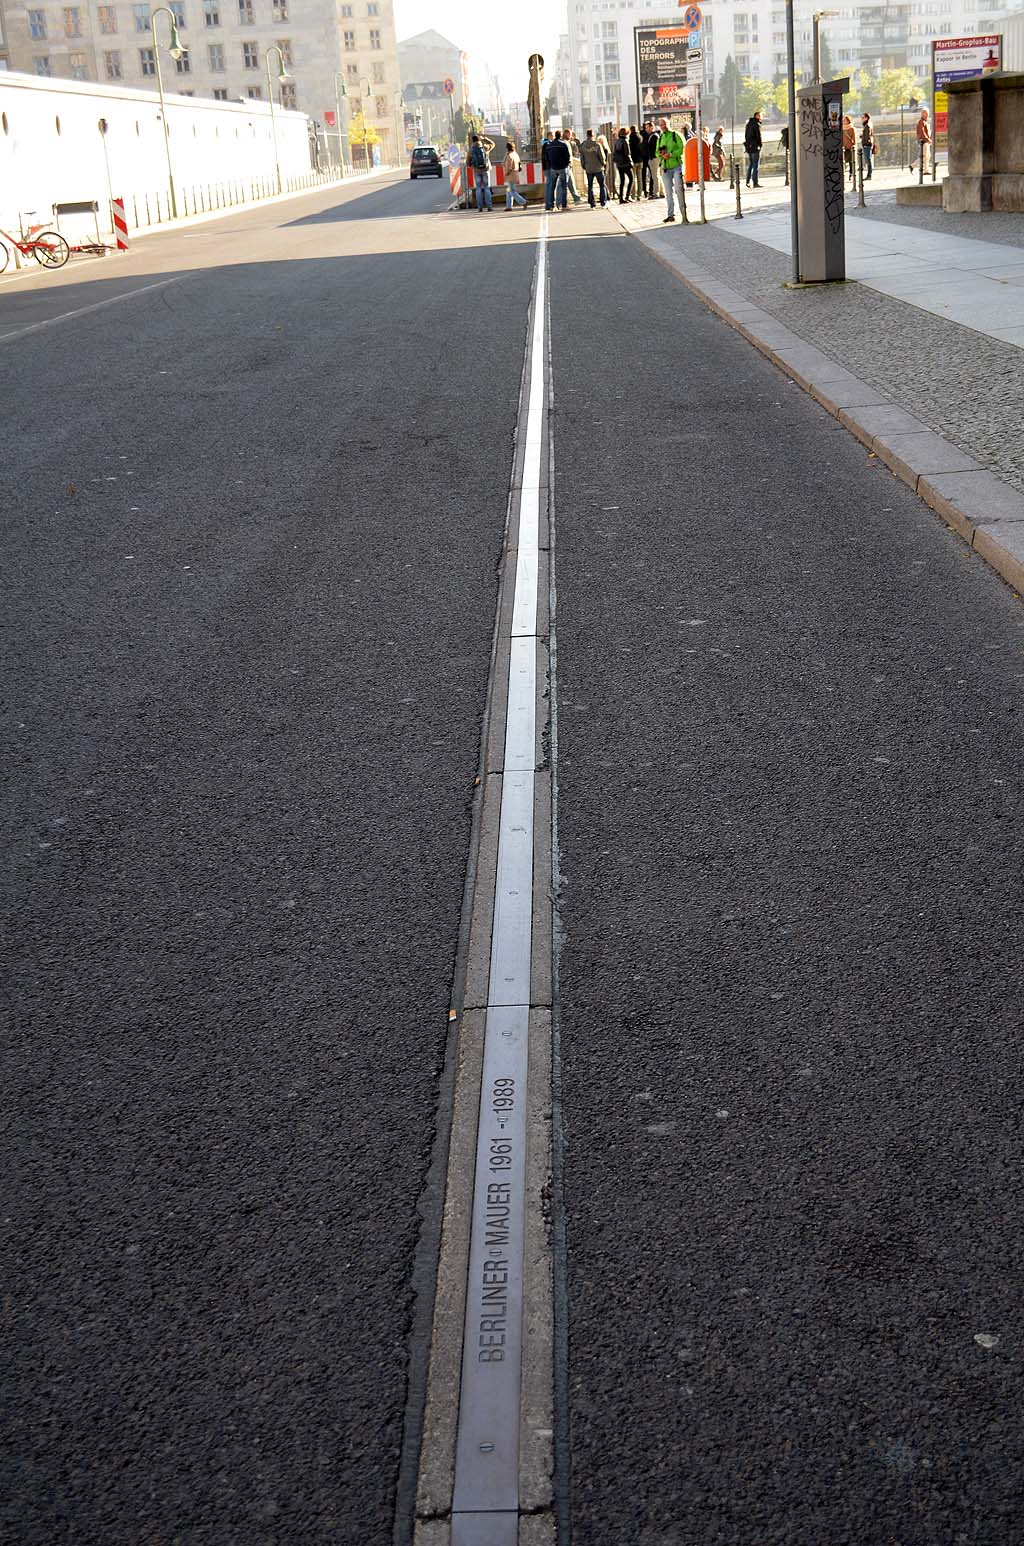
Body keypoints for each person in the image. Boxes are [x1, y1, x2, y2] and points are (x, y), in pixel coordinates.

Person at [656, 115, 685, 222]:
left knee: (678, 189)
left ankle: (684, 214)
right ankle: (670, 215)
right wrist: (662, 154)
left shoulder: (676, 135)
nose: (663, 126)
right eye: (661, 125)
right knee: (668, 193)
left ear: (668, 124)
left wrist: (671, 154)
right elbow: (656, 152)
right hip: (665, 167)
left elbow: (682, 148)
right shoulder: (660, 137)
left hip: (676, 166)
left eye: (664, 124)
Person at [579, 128, 608, 208]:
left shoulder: (583, 145)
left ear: (587, 135)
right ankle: (603, 203)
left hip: (588, 168)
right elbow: (602, 157)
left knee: (590, 186)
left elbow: (582, 157)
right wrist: (603, 164)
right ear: (593, 135)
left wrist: (584, 166)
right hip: (598, 168)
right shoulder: (597, 144)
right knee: (602, 185)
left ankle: (592, 204)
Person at [546, 128, 571, 210]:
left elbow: (547, 157)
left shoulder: (549, 145)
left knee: (552, 187)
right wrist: (566, 164)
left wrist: (551, 164)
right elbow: (567, 156)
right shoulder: (563, 145)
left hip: (553, 168)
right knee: (564, 187)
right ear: (560, 136)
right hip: (562, 167)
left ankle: (552, 205)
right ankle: (564, 205)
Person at [469, 133, 494, 211]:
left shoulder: (471, 150)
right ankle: (489, 206)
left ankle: (480, 207)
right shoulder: (484, 147)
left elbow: (467, 163)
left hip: (477, 171)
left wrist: (472, 165)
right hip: (485, 169)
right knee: (487, 187)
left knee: (478, 188)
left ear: (472, 141)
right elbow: (493, 144)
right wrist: (484, 139)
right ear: (479, 140)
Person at [503, 139, 528, 210]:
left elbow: (510, 166)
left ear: (507, 148)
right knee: (508, 191)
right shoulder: (515, 154)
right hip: (515, 174)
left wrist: (507, 173)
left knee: (512, 191)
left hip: (510, 175)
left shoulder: (510, 155)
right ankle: (508, 206)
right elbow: (519, 163)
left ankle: (524, 202)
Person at [562, 125, 583, 204]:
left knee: (570, 183)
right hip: (565, 166)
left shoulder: (567, 142)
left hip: (567, 165)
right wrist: (570, 162)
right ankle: (561, 202)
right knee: (563, 185)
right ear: (567, 134)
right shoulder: (565, 143)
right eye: (570, 134)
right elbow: (569, 154)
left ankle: (576, 198)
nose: (571, 136)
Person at [613, 127, 635, 203]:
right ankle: (627, 196)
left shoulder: (617, 141)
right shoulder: (625, 141)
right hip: (625, 163)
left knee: (622, 181)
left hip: (619, 163)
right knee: (631, 179)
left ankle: (621, 198)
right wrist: (631, 162)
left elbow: (615, 152)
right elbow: (627, 153)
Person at [744, 109, 762, 188]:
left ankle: (747, 181)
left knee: (751, 164)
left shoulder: (748, 124)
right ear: (757, 116)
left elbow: (746, 136)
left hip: (749, 147)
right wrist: (760, 145)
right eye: (760, 116)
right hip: (755, 147)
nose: (761, 117)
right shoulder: (756, 124)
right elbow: (758, 136)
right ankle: (755, 182)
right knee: (755, 165)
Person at [628, 124, 644, 195]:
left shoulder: (630, 138)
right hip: (640, 160)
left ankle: (633, 194)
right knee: (639, 178)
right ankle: (639, 194)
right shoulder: (640, 137)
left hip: (633, 160)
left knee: (633, 178)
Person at [915, 106, 931, 174]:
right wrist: (927, 139)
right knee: (925, 156)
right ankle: (925, 170)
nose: (926, 115)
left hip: (925, 141)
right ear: (922, 114)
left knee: (927, 156)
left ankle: (913, 166)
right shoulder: (921, 122)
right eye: (924, 113)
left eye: (927, 113)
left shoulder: (925, 121)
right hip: (924, 141)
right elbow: (922, 132)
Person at [860, 113, 876, 179]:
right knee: (868, 160)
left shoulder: (867, 125)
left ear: (866, 118)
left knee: (868, 160)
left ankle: (869, 175)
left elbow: (868, 135)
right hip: (867, 144)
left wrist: (866, 142)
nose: (861, 119)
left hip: (867, 145)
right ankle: (869, 174)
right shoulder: (866, 125)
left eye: (863, 117)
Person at [842, 114, 856, 185]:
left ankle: (851, 174)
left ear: (848, 121)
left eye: (844, 120)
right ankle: (843, 173)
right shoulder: (842, 129)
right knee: (844, 161)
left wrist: (853, 145)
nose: (843, 121)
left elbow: (854, 138)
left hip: (850, 147)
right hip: (843, 148)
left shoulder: (851, 128)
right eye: (843, 120)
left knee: (851, 161)